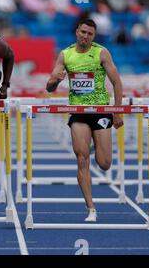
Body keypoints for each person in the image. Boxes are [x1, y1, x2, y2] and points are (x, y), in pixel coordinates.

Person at [46, 18, 124, 222]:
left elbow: (116, 82)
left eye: (89, 34)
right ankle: (91, 208)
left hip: (100, 110)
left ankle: (94, 146)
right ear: (76, 32)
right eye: (83, 32)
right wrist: (55, 81)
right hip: (78, 111)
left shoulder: (101, 52)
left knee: (105, 163)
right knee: (82, 159)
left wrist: (117, 111)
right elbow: (49, 87)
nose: (85, 36)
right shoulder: (65, 54)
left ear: (94, 36)